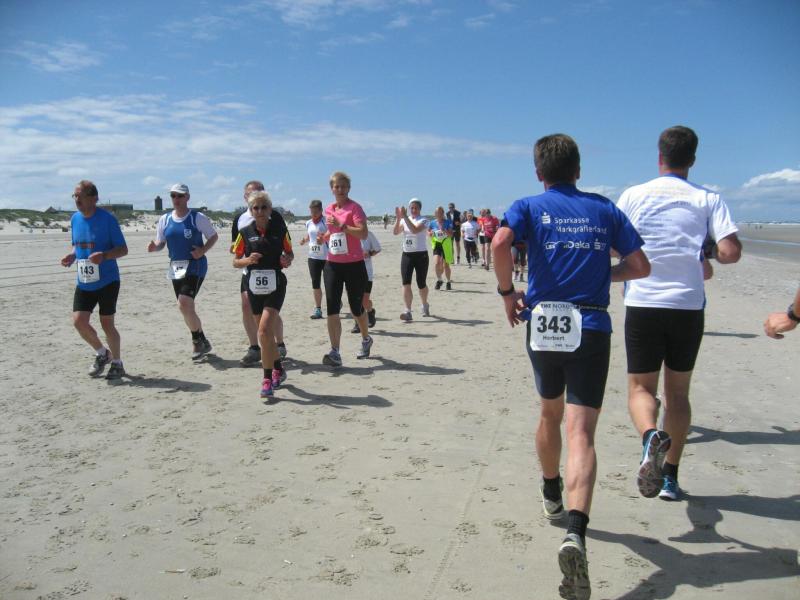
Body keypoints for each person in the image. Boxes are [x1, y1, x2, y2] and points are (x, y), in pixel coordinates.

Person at [492, 134, 650, 600]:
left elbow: (500, 242)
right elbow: (640, 266)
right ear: (578, 170)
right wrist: (605, 273)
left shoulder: (528, 205)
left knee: (550, 412)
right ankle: (576, 532)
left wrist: (507, 293)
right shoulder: (604, 209)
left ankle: (550, 492)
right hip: (592, 324)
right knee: (581, 432)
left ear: (538, 173)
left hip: (544, 323)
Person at [617, 125, 742, 503]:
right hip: (687, 305)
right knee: (677, 394)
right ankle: (669, 478)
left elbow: (613, 246)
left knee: (641, 388)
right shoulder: (708, 198)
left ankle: (649, 437)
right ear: (693, 160)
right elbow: (730, 252)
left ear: (660, 156)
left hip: (643, 302)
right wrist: (702, 252)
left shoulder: (633, 195)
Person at [60, 180, 129, 380]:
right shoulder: (75, 219)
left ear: (93, 198)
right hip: (84, 280)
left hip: (108, 280)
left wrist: (104, 256)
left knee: (107, 324)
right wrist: (72, 255)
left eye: (80, 196)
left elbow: (123, 249)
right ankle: (102, 353)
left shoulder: (108, 220)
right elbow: (77, 245)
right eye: (74, 196)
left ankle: (117, 363)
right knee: (78, 321)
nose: (76, 199)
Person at [232, 191, 293, 398]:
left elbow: (289, 253)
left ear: (270, 209)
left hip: (276, 285)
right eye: (255, 208)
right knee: (265, 336)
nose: (259, 211)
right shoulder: (244, 232)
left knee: (265, 330)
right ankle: (278, 368)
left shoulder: (280, 230)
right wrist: (248, 260)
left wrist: (287, 259)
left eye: (263, 207)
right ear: (251, 210)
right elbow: (235, 261)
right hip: (254, 287)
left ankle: (267, 379)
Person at [148, 183, 219, 360]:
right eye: (173, 196)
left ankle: (196, 341)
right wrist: (154, 247)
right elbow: (161, 242)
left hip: (195, 265)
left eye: (180, 196)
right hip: (176, 266)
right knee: (186, 308)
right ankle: (202, 340)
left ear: (187, 197)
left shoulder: (197, 217)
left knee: (184, 303)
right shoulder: (165, 219)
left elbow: (213, 236)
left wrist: (202, 250)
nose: (176, 199)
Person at [319, 171, 373, 366]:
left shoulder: (355, 208)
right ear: (331, 189)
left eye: (343, 186)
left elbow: (363, 233)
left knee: (356, 308)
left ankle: (366, 339)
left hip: (354, 265)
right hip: (332, 264)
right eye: (337, 186)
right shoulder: (329, 209)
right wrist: (324, 237)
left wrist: (343, 226)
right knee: (332, 308)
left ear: (348, 188)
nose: (340, 189)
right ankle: (335, 351)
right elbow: (332, 232)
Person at [393, 198, 430, 321]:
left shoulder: (424, 220)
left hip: (421, 255)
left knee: (421, 283)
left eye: (416, 208)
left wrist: (404, 217)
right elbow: (395, 232)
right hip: (407, 255)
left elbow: (414, 230)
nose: (413, 210)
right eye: (412, 208)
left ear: (420, 209)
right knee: (406, 282)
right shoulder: (404, 220)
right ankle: (408, 311)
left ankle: (424, 304)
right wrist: (398, 218)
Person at [298, 199, 328, 319]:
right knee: (315, 283)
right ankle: (318, 309)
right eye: (312, 212)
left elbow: (333, 234)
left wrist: (324, 238)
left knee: (329, 283)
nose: (313, 214)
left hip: (327, 257)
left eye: (316, 212)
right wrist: (304, 240)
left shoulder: (326, 222)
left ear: (321, 210)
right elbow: (310, 235)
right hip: (313, 257)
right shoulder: (308, 223)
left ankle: (337, 302)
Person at [351, 230, 382, 332]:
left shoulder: (368, 234)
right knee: (353, 300)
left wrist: (369, 253)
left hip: (366, 271)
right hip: (350, 270)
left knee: (364, 300)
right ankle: (357, 323)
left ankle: (370, 311)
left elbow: (378, 249)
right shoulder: (347, 233)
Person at [429, 206, 454, 290]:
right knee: (436, 263)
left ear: (443, 213)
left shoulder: (448, 222)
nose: (439, 214)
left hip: (446, 244)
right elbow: (428, 232)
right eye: (437, 213)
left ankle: (448, 281)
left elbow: (451, 234)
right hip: (437, 244)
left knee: (446, 265)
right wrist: (430, 233)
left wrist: (445, 231)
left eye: (441, 213)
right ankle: (439, 280)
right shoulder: (432, 223)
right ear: (435, 214)